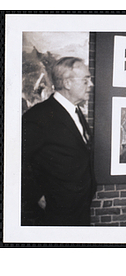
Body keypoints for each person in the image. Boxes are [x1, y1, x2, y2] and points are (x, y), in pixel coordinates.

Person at [22, 57, 96, 226]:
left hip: (81, 208)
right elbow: (14, 159)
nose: (90, 85)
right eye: (85, 80)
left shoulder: (75, 112)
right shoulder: (38, 116)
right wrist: (37, 196)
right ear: (67, 83)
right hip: (54, 212)